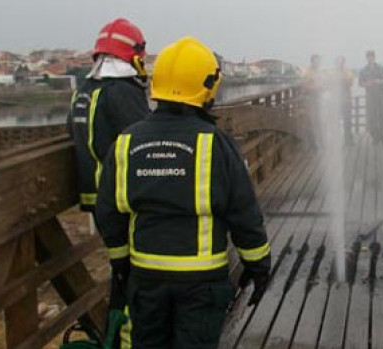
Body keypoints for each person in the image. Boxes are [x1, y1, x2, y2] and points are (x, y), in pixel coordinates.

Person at [95, 36, 272, 348]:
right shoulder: (215, 143)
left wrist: (121, 263)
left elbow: (108, 213)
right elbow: (243, 212)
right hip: (201, 283)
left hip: (145, 279)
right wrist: (257, 265)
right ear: (208, 86)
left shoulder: (125, 142)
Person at [66, 17, 149, 347]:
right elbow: (145, 141)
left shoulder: (83, 93)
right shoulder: (121, 93)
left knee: (121, 272)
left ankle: (116, 337)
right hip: (120, 202)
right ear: (133, 54)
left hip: (97, 201)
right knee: (133, 277)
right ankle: (125, 339)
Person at [358, 50, 383, 143]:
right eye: (368, 57)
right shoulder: (363, 70)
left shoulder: (381, 67)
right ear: (366, 58)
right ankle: (375, 137)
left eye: (371, 56)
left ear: (374, 57)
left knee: (382, 115)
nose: (370, 58)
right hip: (370, 97)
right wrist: (367, 83)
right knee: (372, 117)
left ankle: (382, 136)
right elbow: (360, 83)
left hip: (381, 96)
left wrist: (380, 81)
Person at [333, 56, 355, 144]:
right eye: (338, 62)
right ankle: (337, 140)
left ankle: (348, 139)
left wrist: (340, 80)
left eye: (342, 62)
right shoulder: (333, 72)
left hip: (346, 100)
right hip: (336, 102)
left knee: (348, 121)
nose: (340, 64)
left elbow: (350, 82)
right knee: (336, 121)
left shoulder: (347, 71)